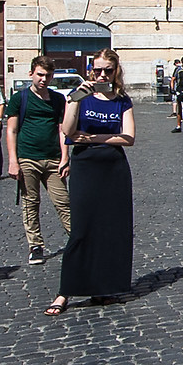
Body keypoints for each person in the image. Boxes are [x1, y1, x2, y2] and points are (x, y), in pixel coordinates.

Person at [47, 50, 137, 315]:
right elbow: (68, 131)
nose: (102, 75)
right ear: (91, 70)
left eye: (108, 70)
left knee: (111, 230)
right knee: (81, 229)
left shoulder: (122, 100)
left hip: (114, 168)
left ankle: (103, 287)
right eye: (97, 70)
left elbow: (129, 137)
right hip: (85, 166)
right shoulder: (80, 97)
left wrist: (93, 137)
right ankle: (65, 291)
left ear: (116, 70)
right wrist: (76, 98)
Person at [4, 56, 72, 268]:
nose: (44, 79)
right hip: (28, 158)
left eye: (48, 75)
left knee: (63, 201)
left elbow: (63, 130)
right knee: (30, 203)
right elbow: (12, 130)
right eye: (40, 74)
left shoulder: (58, 99)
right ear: (31, 74)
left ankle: (77, 237)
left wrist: (65, 157)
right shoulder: (20, 98)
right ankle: (35, 245)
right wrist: (13, 161)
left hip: (53, 159)